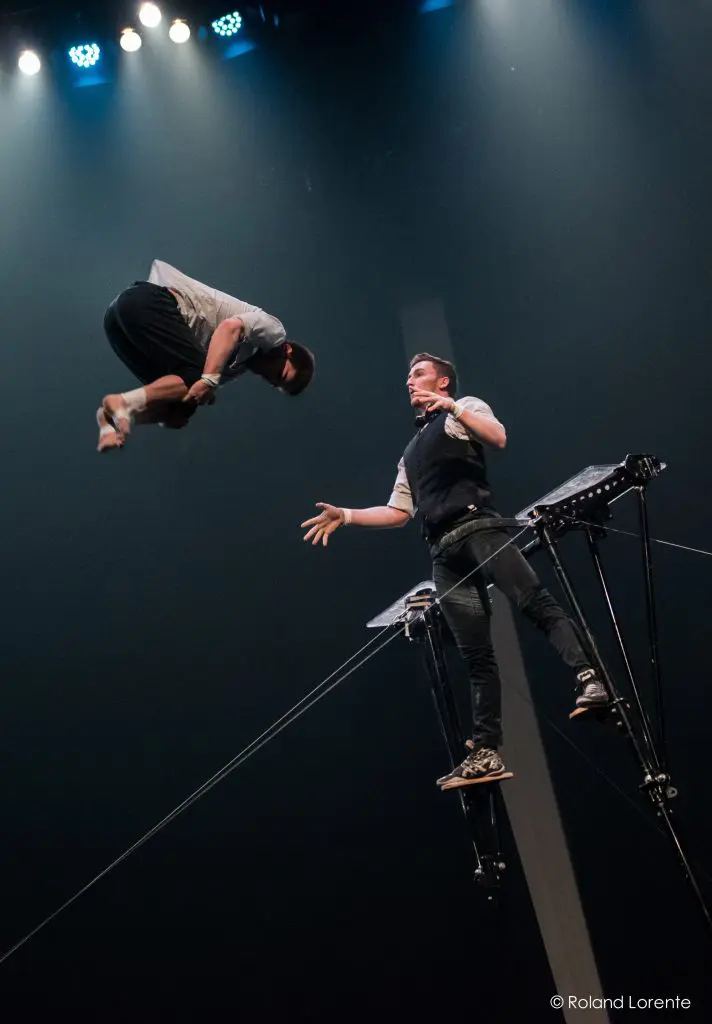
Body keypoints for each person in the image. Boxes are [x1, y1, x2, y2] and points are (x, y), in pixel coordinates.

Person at [300, 352, 608, 789]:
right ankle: (486, 752)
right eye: (408, 374)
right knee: (475, 653)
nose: (410, 380)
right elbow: (397, 512)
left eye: (419, 373)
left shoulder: (464, 409)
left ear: (443, 382)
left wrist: (455, 408)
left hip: (478, 527)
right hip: (443, 552)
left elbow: (498, 437)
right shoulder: (409, 452)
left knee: (535, 602)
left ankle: (592, 677)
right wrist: (346, 515)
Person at [96, 259, 315, 451]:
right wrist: (210, 379)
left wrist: (181, 410)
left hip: (117, 324)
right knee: (199, 376)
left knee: (178, 405)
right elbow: (229, 328)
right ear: (287, 351)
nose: (272, 379)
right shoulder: (274, 332)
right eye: (281, 374)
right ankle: (124, 403)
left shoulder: (233, 370)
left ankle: (111, 419)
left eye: (276, 384)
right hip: (145, 302)